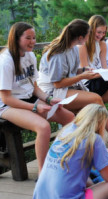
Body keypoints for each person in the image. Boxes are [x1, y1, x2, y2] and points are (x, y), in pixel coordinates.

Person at [0, 22, 74, 173]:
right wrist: (35, 107)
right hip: (8, 105)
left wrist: (48, 99)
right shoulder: (6, 61)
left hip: (28, 98)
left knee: (70, 118)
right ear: (16, 39)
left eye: (34, 37)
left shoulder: (30, 55)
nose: (33, 41)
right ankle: (44, 173)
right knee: (43, 127)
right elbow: (6, 98)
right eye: (28, 38)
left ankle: (63, 159)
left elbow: (34, 87)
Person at [37, 19, 108, 145]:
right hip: (52, 92)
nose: (90, 37)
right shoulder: (58, 54)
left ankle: (96, 144)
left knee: (93, 107)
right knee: (95, 99)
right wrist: (82, 76)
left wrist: (83, 70)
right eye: (89, 35)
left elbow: (71, 71)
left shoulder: (73, 49)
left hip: (66, 87)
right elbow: (57, 83)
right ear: (81, 37)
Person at [33, 104, 108, 199]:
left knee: (88, 179)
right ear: (100, 123)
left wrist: (100, 152)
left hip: (41, 195)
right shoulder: (94, 139)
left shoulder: (66, 131)